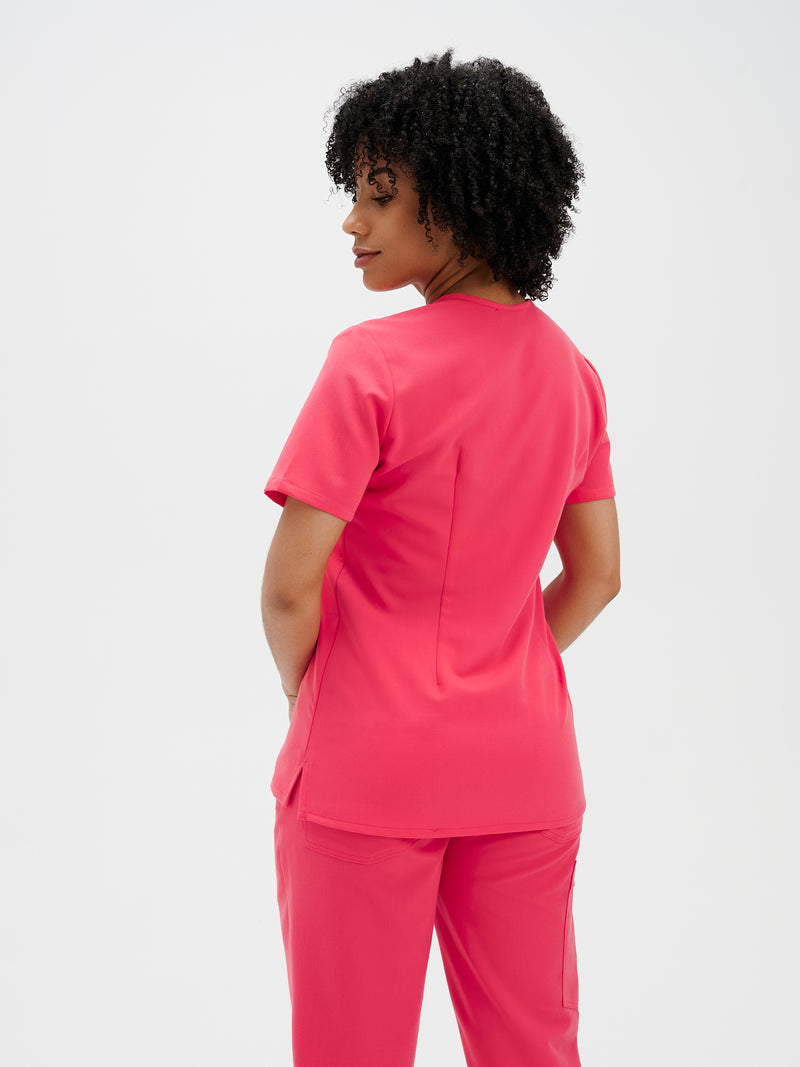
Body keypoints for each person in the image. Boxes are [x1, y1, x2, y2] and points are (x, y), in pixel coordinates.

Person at [260, 50, 620, 1067]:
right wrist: (504, 659)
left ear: (460, 200)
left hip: (366, 765)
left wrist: (318, 695)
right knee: (532, 1047)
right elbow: (598, 574)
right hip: (527, 767)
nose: (352, 222)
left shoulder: (369, 363)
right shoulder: (574, 374)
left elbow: (287, 588)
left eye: (380, 194)